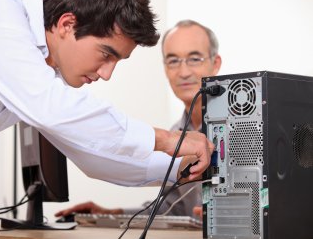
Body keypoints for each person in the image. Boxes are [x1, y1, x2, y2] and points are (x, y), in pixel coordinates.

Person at [0, 0, 213, 190]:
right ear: (67, 24)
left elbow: (92, 156)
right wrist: (167, 139)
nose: (106, 74)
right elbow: (51, 109)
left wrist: (180, 168)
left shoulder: (41, 74)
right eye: (106, 55)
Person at [55, 19, 221, 219]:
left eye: (194, 59)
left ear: (215, 64)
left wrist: (229, 216)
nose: (183, 72)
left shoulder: (244, 128)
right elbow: (170, 210)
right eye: (173, 60)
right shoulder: (179, 132)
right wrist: (111, 214)